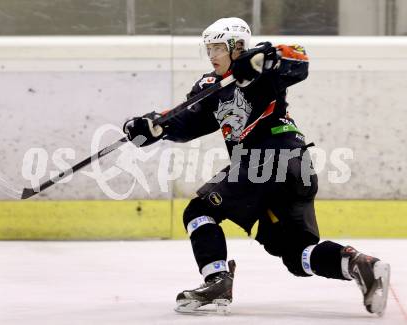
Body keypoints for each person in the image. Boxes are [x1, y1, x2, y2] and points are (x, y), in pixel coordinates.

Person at [123, 17, 390, 315]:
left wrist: (267, 58)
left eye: (218, 48)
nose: (212, 55)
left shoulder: (263, 70)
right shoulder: (210, 86)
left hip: (271, 158)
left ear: (237, 47)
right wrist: (157, 127)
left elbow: (299, 59)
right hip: (288, 169)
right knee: (296, 255)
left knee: (199, 211)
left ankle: (217, 281)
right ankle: (361, 265)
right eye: (208, 49)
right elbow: (189, 122)